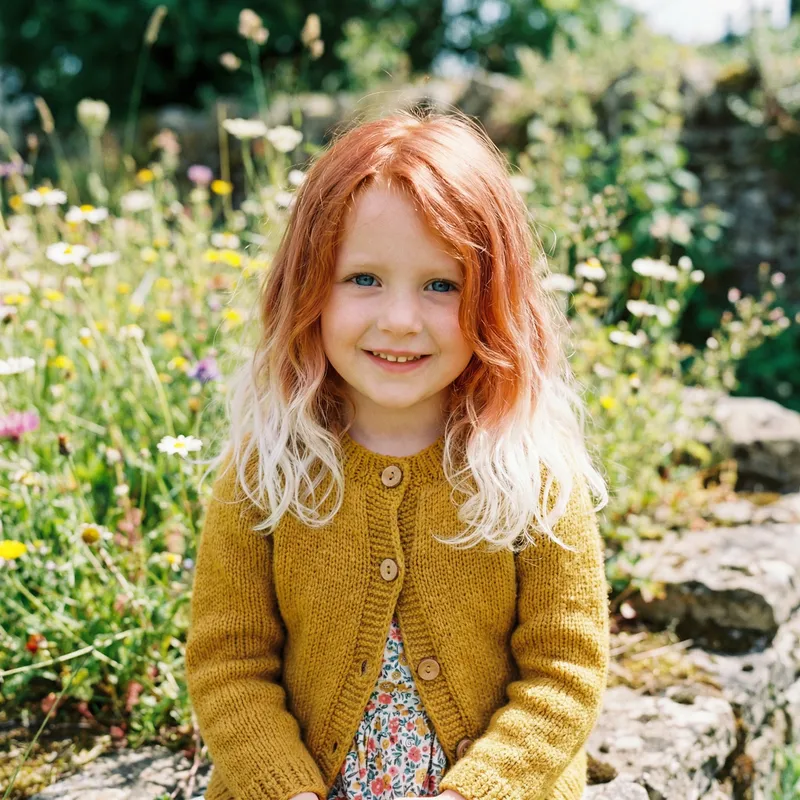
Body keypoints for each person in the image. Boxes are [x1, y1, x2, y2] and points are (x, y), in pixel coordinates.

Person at [185, 108, 611, 800]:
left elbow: (564, 672)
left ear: (494, 300)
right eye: (363, 278)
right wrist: (285, 789)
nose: (401, 320)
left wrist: (477, 792)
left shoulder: (530, 474)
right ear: (307, 286)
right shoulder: (270, 471)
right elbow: (229, 666)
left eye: (441, 285)